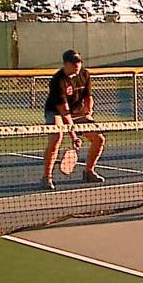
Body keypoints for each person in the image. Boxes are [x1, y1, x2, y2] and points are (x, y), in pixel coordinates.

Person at [41, 49, 105, 189]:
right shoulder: (58, 80)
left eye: (79, 62)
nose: (77, 65)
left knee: (99, 138)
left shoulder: (84, 74)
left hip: (77, 112)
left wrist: (88, 110)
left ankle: (89, 172)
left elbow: (88, 97)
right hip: (56, 113)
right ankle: (47, 177)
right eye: (74, 63)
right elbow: (64, 112)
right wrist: (74, 135)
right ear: (66, 64)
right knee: (56, 138)